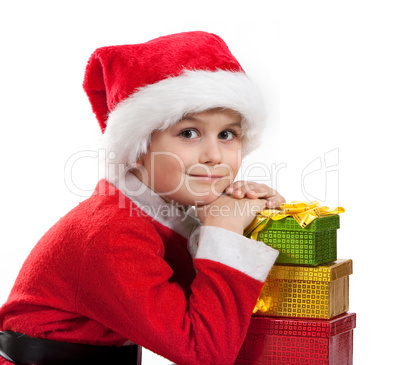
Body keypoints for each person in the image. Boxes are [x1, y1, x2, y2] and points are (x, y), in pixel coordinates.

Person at [0, 31, 284, 365]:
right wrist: (224, 232)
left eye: (227, 134)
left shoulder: (157, 212)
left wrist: (238, 219)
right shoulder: (111, 232)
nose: (214, 155)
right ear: (137, 149)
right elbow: (205, 353)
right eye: (188, 133)